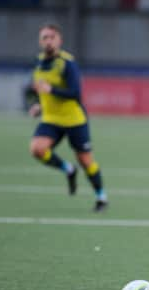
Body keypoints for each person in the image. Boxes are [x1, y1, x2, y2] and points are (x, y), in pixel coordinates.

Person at [29, 23, 108, 212]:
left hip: (74, 120)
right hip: (51, 119)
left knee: (86, 161)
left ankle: (101, 197)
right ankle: (68, 169)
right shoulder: (39, 63)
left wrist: (52, 90)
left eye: (52, 37)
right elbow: (43, 91)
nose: (48, 41)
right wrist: (39, 106)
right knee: (37, 149)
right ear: (40, 42)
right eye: (45, 38)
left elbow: (75, 93)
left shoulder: (67, 63)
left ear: (59, 40)